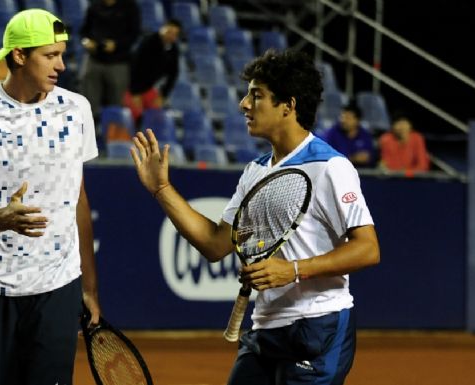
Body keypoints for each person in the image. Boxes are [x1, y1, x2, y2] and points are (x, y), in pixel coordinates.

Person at [130, 49, 380, 385]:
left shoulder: (331, 167)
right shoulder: (255, 171)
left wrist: (290, 271)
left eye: (256, 95)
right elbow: (215, 243)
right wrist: (162, 189)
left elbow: (367, 249)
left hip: (318, 326)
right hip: (266, 329)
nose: (243, 105)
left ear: (288, 106)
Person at [0, 9, 101, 385]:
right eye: (50, 55)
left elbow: (78, 200)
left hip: (58, 286)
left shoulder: (77, 110)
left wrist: (89, 288)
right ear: (19, 55)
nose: (61, 64)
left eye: (62, 53)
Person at [79, 0, 141, 120]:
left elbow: (134, 34)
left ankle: (115, 134)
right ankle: (90, 132)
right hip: (94, 59)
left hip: (118, 62)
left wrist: (117, 45)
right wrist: (86, 41)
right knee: (88, 102)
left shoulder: (129, 7)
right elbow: (84, 31)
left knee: (117, 103)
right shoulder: (94, 5)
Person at [124, 19, 182, 123]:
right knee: (134, 117)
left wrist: (163, 95)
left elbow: (173, 74)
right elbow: (134, 67)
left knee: (156, 116)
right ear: (162, 29)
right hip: (131, 87)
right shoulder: (148, 42)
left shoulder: (174, 49)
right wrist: (135, 93)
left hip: (148, 88)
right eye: (169, 32)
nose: (170, 36)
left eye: (174, 34)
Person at [321, 103, 376, 167]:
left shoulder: (365, 135)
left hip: (362, 173)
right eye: (342, 117)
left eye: (348, 118)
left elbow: (371, 157)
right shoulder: (332, 134)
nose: (343, 120)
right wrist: (353, 158)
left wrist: (368, 158)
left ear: (357, 120)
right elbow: (327, 157)